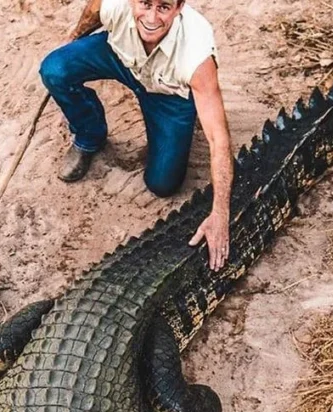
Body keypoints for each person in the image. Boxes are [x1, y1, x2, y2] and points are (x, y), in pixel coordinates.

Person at [39, 0, 232, 270]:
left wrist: (220, 213)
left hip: (166, 94)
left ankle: (188, 116)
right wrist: (73, 38)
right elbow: (94, 10)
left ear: (179, 8)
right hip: (122, 59)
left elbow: (219, 139)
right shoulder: (114, 6)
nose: (152, 17)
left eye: (164, 7)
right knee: (55, 69)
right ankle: (89, 135)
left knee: (163, 183)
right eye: (145, 3)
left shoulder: (196, 55)